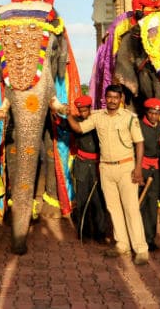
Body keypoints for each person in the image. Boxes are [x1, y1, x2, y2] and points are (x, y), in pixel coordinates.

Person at [66, 84, 149, 265]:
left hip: (126, 167)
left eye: (115, 97)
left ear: (121, 100)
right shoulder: (98, 117)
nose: (112, 100)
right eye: (109, 97)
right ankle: (122, 244)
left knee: (131, 208)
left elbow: (140, 143)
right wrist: (67, 115)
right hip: (105, 168)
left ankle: (141, 249)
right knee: (113, 208)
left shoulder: (129, 118)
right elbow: (79, 129)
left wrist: (138, 169)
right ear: (105, 98)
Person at [70, 95, 110, 244]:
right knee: (81, 199)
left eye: (85, 110)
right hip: (81, 164)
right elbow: (62, 124)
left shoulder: (98, 120)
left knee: (99, 199)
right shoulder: (76, 121)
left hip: (97, 164)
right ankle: (83, 231)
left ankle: (100, 233)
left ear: (90, 108)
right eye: (80, 110)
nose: (82, 113)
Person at [139, 98, 160, 252]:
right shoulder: (140, 126)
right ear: (146, 112)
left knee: (152, 203)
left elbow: (157, 147)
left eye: (157, 114)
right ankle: (138, 237)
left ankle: (150, 238)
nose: (153, 116)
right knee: (140, 203)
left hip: (154, 169)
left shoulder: (159, 126)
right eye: (151, 113)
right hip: (141, 169)